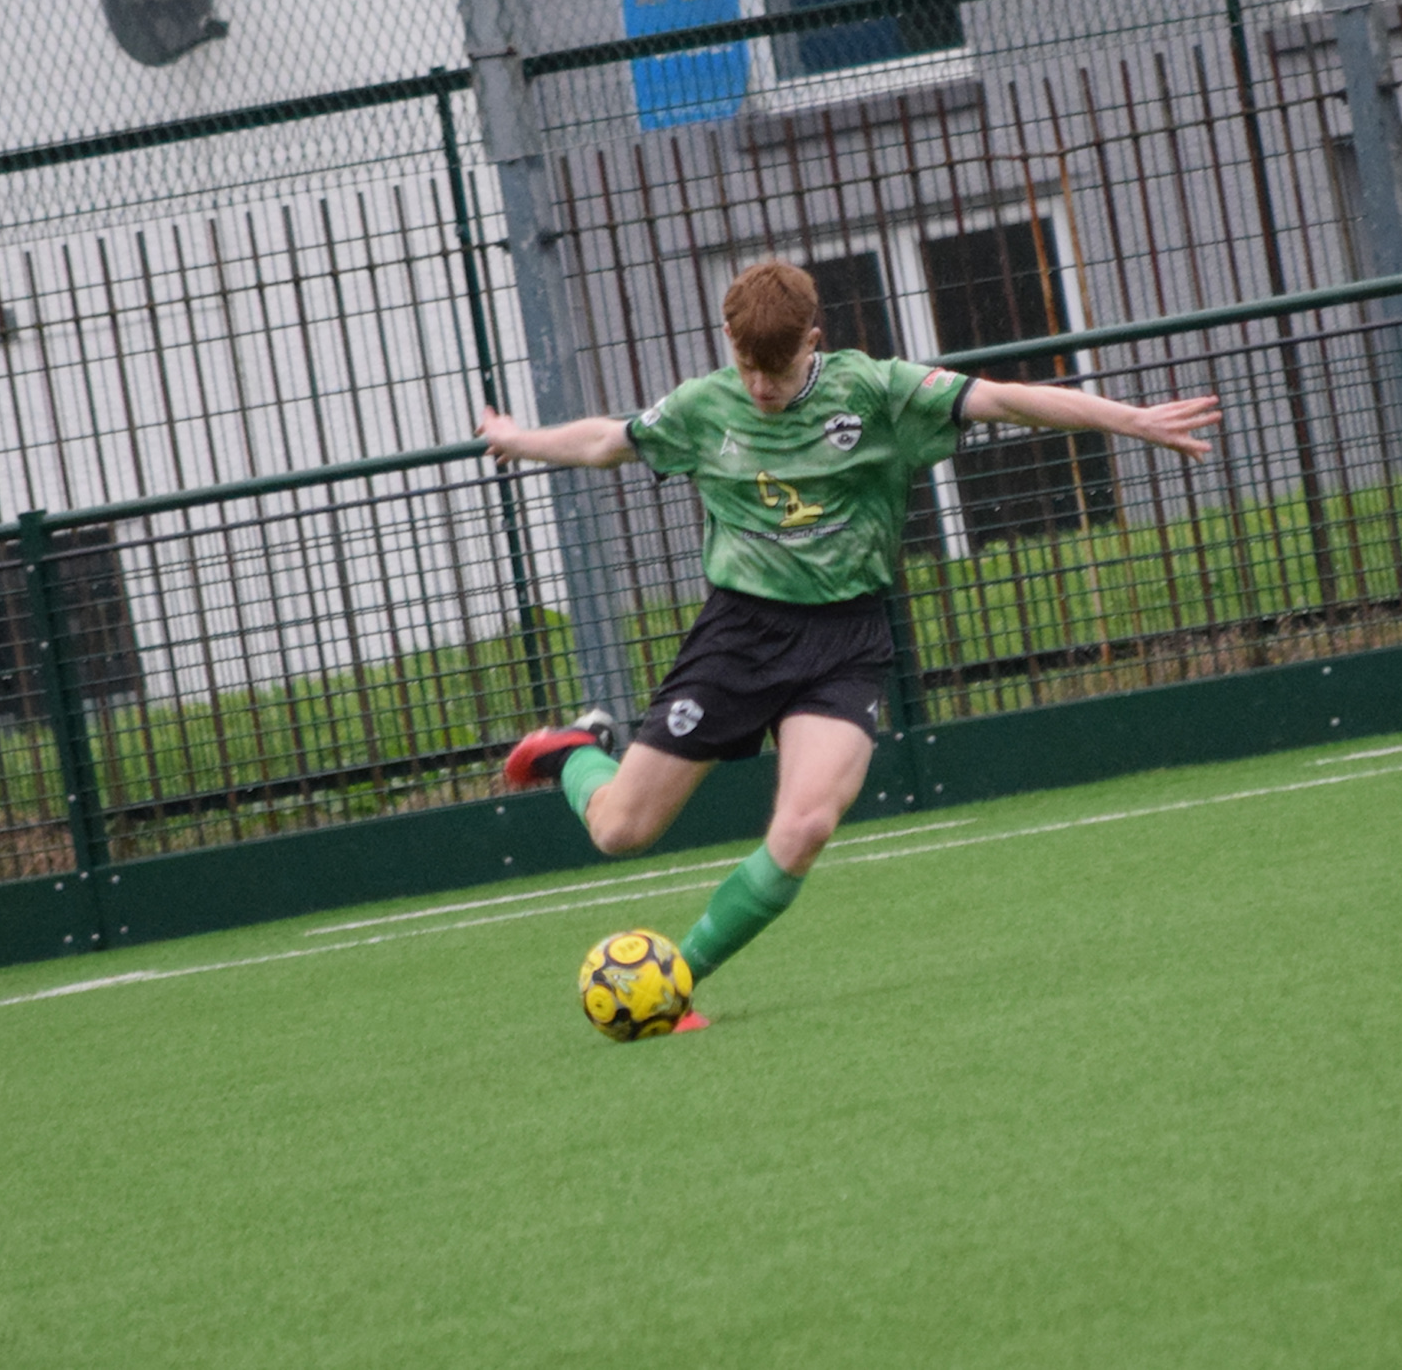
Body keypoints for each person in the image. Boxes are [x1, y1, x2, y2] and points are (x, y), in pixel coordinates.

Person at [481, 260, 1219, 1027]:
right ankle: (575, 750)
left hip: (844, 641)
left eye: (780, 367)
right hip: (738, 634)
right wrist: (519, 440)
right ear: (726, 340)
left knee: (804, 827)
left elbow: (998, 398)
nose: (762, 387)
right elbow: (609, 441)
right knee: (620, 830)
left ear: (815, 340)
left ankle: (677, 981)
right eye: (747, 366)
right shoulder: (707, 406)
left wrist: (1127, 419)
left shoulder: (874, 391)